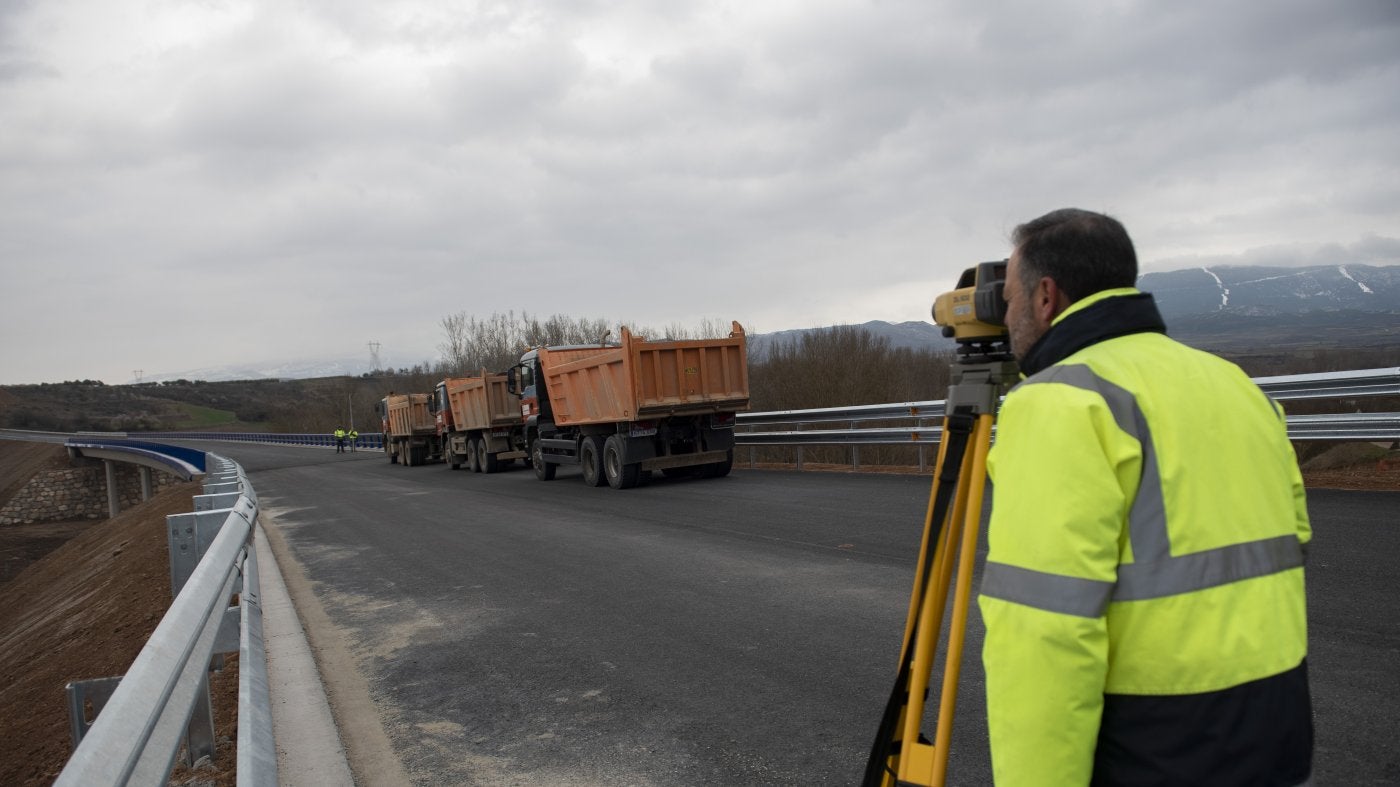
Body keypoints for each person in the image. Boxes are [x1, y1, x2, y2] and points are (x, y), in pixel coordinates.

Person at [978, 208, 1312, 786]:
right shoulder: (1234, 384)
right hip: (1276, 729)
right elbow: (1293, 541)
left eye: (1008, 298)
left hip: (1154, 745)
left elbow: (1044, 630)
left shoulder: (1060, 402)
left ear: (1045, 297)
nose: (1003, 315)